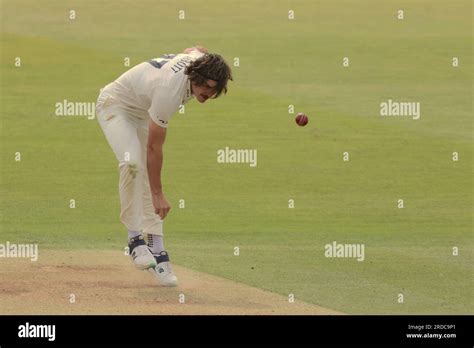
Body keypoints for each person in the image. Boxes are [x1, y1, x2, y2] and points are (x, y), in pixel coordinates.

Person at [96, 47, 232, 286]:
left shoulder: (199, 63)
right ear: (195, 77)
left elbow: (195, 48)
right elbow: (154, 148)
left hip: (142, 111)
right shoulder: (168, 91)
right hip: (115, 106)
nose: (208, 94)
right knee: (132, 164)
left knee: (148, 174)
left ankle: (157, 251)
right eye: (206, 87)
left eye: (214, 90)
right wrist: (158, 195)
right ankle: (135, 241)